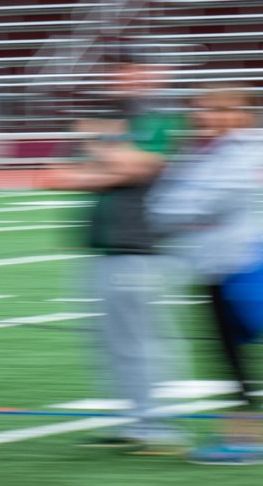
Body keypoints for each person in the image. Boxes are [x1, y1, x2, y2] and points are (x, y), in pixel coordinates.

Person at [45, 49, 190, 454]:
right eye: (118, 75)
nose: (123, 82)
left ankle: (158, 428)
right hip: (104, 246)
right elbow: (59, 176)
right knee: (109, 343)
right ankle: (134, 422)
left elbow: (136, 168)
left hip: (137, 246)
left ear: (153, 76)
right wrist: (108, 160)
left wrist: (97, 143)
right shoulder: (117, 121)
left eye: (132, 74)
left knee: (140, 340)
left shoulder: (162, 118)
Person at [149, 84, 263, 464]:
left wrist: (184, 213)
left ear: (242, 115)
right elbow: (160, 207)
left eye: (218, 109)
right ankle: (246, 437)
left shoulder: (247, 150)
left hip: (247, 263)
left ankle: (246, 437)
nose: (205, 116)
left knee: (235, 350)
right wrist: (184, 212)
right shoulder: (198, 152)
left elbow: (211, 200)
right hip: (215, 265)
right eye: (201, 108)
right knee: (229, 354)